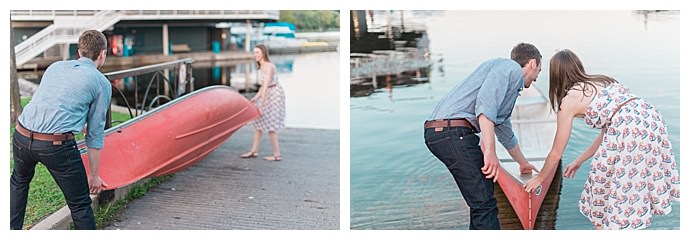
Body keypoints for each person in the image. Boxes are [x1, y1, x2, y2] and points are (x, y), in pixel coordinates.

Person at [523, 49, 680, 230]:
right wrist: (579, 161)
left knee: (600, 194)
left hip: (628, 129)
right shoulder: (605, 80)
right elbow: (609, 132)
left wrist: (539, 179)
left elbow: (556, 153)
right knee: (630, 188)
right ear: (578, 66)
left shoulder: (568, 101)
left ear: (556, 75)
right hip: (651, 119)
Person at [423, 43, 542, 230]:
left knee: (481, 202)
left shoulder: (509, 86)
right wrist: (490, 152)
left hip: (444, 134)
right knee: (484, 204)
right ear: (533, 63)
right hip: (452, 132)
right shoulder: (509, 68)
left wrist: (522, 163)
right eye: (539, 71)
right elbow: (485, 106)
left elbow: (504, 131)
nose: (536, 78)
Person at [10, 30, 111, 230]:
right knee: (80, 204)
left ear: (80, 51)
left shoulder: (55, 67)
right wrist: (94, 174)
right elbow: (95, 133)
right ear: (102, 54)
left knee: (18, 183)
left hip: (21, 135)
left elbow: (55, 101)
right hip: (55, 146)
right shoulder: (101, 83)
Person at [240, 44, 286, 161]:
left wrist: (263, 101)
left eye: (257, 53)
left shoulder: (269, 66)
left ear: (263, 53)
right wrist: (256, 97)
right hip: (268, 92)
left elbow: (266, 85)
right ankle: (254, 151)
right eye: (254, 52)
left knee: (271, 125)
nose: (255, 55)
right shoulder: (261, 66)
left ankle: (277, 155)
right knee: (258, 123)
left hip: (275, 94)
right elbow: (262, 86)